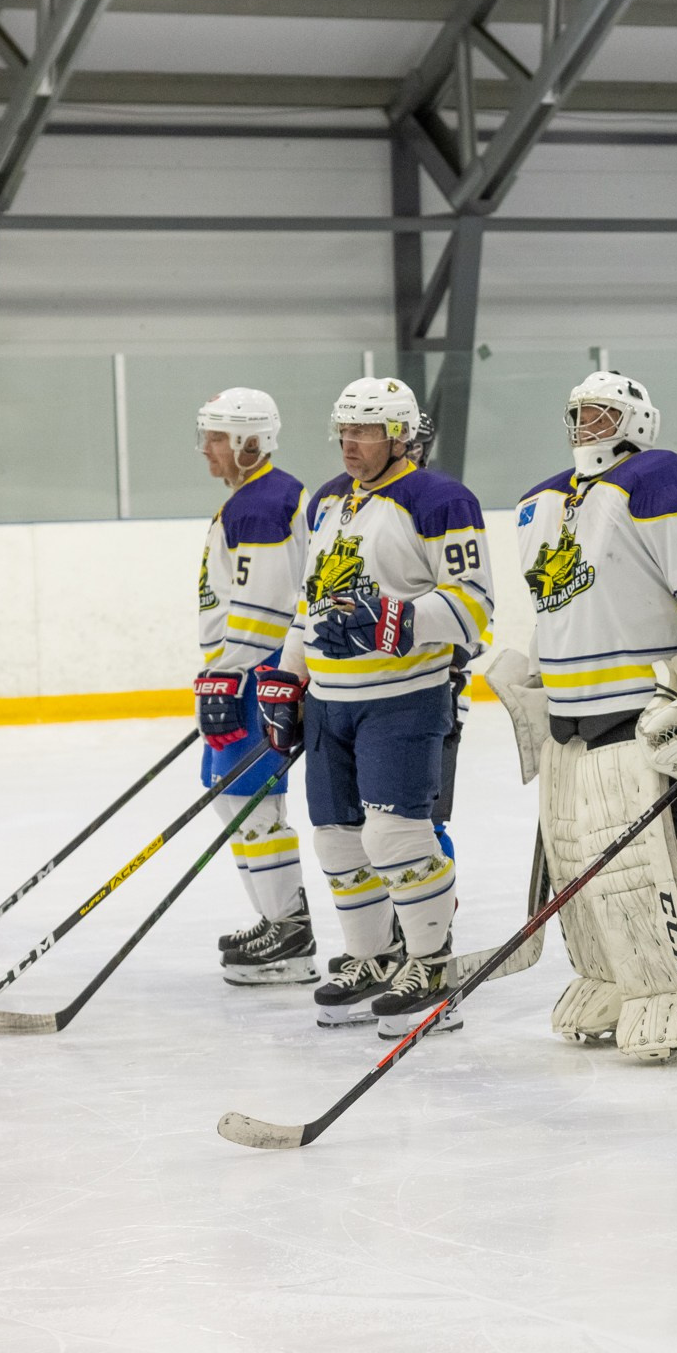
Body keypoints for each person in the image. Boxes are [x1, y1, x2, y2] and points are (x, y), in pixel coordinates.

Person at [252, 377, 492, 1032]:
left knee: (395, 834)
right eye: (345, 430)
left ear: (400, 435)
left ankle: (432, 963)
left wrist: (399, 620)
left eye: (366, 431)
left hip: (404, 699)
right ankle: (371, 955)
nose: (350, 443)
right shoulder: (326, 502)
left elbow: (474, 602)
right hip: (331, 704)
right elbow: (312, 600)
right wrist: (287, 676)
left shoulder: (441, 499)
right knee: (335, 837)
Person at [494, 369, 677, 1061]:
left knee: (632, 865)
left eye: (604, 412)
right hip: (566, 713)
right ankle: (607, 975)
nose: (587, 423)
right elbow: (559, 602)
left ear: (637, 420)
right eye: (581, 412)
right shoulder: (538, 503)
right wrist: (536, 667)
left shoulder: (657, 477)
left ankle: (668, 985)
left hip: (636, 708)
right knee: (572, 859)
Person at [190, 387, 315, 986]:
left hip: (255, 673)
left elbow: (264, 604)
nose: (206, 450)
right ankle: (277, 920)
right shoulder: (255, 497)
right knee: (237, 800)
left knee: (251, 802)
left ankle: (288, 933)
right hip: (246, 670)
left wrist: (226, 672)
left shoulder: (262, 503)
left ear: (249, 442)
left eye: (216, 438)